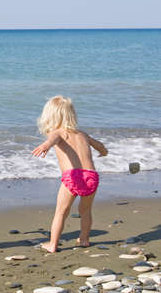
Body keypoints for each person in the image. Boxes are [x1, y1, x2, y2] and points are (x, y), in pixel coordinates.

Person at [32, 96, 108, 253]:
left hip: (73, 177)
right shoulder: (83, 135)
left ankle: (52, 244)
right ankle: (85, 239)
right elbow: (99, 145)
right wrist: (103, 151)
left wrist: (45, 146)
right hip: (91, 176)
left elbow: (52, 139)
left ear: (50, 116)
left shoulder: (58, 133)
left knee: (61, 212)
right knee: (86, 211)